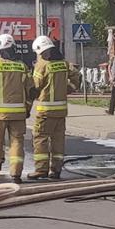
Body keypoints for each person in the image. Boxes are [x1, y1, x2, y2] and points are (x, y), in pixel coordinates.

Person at [29, 35, 81, 180]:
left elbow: (36, 86)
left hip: (45, 111)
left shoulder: (42, 66)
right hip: (61, 111)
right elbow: (77, 76)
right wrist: (69, 88)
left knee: (40, 139)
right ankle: (56, 170)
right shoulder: (64, 64)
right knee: (58, 140)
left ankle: (41, 170)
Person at [0, 33, 30, 184]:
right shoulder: (22, 66)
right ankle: (16, 175)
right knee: (17, 143)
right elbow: (31, 91)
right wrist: (27, 109)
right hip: (19, 115)